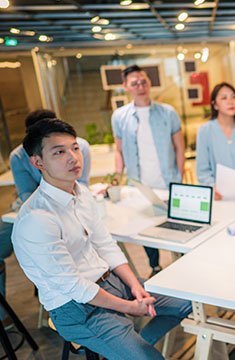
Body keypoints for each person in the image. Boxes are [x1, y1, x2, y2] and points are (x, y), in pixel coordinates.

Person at [12, 118, 191, 359]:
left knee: (187, 303)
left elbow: (105, 244)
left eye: (75, 148)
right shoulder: (37, 219)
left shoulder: (81, 192)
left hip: (110, 281)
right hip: (77, 309)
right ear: (37, 162)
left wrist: (135, 286)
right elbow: (74, 286)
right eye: (59, 152)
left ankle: (133, 348)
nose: (73, 157)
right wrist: (130, 308)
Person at [0, 109, 91, 327]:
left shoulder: (79, 146)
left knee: (83, 240)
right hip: (31, 207)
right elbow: (26, 193)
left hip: (71, 203)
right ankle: (3, 315)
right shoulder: (19, 156)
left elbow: (81, 184)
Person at [112, 65, 185, 276]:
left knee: (174, 228)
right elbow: (119, 150)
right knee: (145, 229)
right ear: (126, 87)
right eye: (134, 83)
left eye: (143, 82)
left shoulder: (168, 113)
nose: (140, 87)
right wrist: (117, 177)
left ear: (149, 83)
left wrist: (179, 177)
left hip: (168, 181)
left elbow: (179, 147)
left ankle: (179, 266)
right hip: (139, 185)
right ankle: (155, 267)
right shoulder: (119, 117)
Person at [195, 82, 235, 199]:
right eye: (224, 98)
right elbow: (202, 169)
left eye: (234, 97)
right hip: (218, 193)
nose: (231, 102)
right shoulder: (205, 131)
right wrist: (213, 187)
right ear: (215, 105)